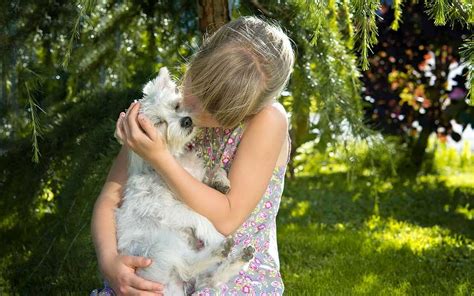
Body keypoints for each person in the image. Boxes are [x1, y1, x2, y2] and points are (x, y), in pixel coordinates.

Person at [90, 15, 295, 295]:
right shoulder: (166, 109)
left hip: (230, 275)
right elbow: (112, 195)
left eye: (216, 111)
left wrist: (160, 158)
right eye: (196, 87)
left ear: (249, 111)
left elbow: (227, 218)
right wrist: (110, 262)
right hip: (160, 263)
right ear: (199, 58)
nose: (192, 111)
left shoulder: (267, 121)